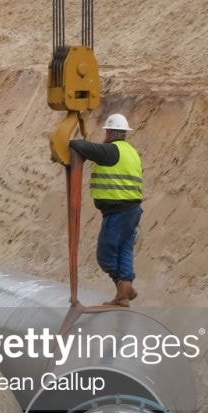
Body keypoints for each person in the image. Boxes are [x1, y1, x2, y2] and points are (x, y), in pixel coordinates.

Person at [69, 112, 143, 307]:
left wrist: (67, 142)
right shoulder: (132, 152)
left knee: (105, 254)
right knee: (124, 250)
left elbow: (80, 146)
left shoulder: (112, 151)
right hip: (133, 210)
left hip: (118, 212)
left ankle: (123, 288)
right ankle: (124, 293)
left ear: (110, 132)